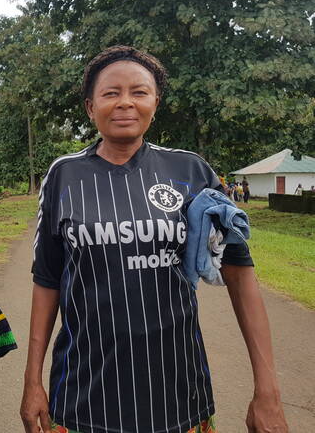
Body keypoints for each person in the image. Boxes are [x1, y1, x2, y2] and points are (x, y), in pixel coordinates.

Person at [20, 46, 288, 433]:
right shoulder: (64, 176)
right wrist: (32, 382)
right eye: (111, 93)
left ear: (155, 103)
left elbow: (240, 275)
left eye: (139, 92)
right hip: (83, 396)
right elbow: (47, 280)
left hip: (179, 395)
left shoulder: (191, 171)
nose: (125, 103)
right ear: (90, 107)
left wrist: (269, 391)